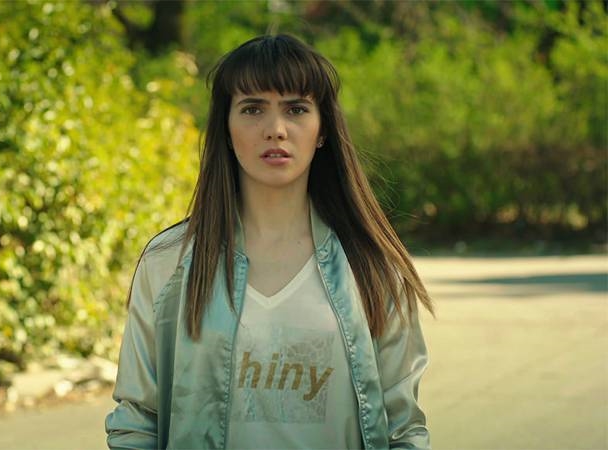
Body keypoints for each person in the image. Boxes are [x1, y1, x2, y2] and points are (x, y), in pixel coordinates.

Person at [105, 34, 433, 450]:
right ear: (225, 128)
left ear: (322, 130)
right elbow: (137, 422)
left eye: (296, 109)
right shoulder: (170, 262)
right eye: (252, 109)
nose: (275, 130)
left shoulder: (373, 267)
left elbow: (403, 430)